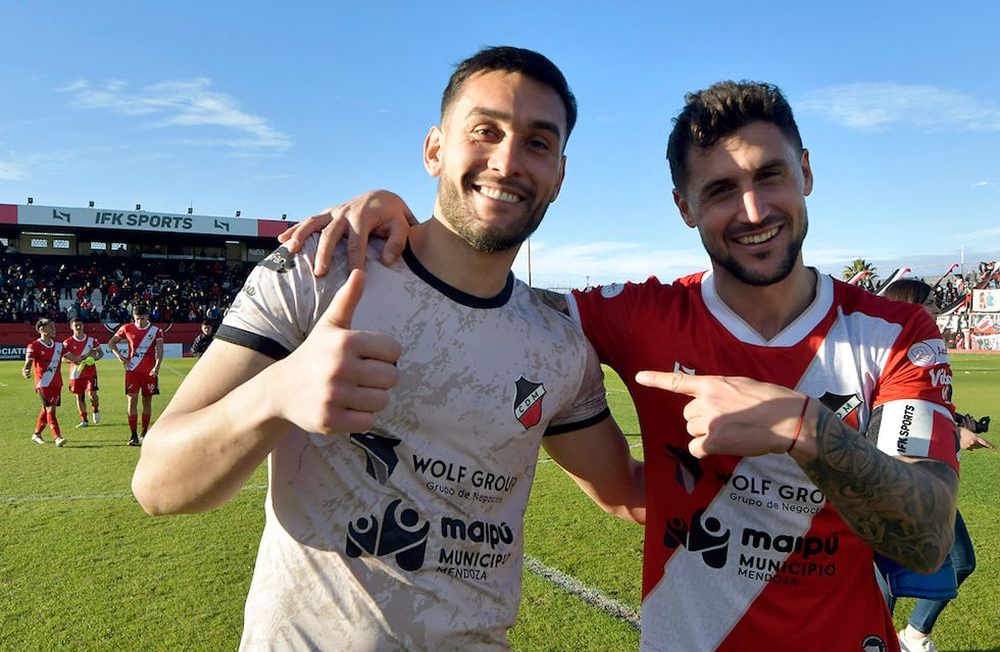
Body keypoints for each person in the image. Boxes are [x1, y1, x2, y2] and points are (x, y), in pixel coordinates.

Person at [287, 80, 960, 651]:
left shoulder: (897, 331)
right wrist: (399, 223)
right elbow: (493, 296)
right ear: (683, 206)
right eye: (720, 189)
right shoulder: (639, 314)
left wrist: (804, 424)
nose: (752, 210)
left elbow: (927, 537)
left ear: (805, 171)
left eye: (770, 175)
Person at [130, 46, 643, 651]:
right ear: (434, 150)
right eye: (485, 131)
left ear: (558, 174)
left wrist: (779, 450)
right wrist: (277, 393)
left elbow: (626, 492)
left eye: (537, 142)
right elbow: (159, 484)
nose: (507, 161)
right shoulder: (317, 271)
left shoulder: (561, 345)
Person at [880, 277, 989, 652]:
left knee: (953, 563)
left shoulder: (930, 354)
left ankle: (908, 636)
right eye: (929, 306)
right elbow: (887, 416)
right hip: (900, 478)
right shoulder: (893, 354)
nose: (937, 314)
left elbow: (936, 406)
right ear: (907, 307)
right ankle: (898, 637)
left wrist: (960, 424)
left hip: (930, 477)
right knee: (893, 571)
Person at [107, 304, 164, 446]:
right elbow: (111, 343)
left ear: (148, 317)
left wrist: (157, 367)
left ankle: (144, 432)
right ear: (133, 317)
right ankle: (133, 435)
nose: (140, 322)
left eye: (143, 319)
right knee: (132, 401)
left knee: (147, 402)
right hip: (132, 371)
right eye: (137, 319)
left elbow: (160, 351)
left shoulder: (156, 331)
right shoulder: (127, 328)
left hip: (149, 372)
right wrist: (120, 357)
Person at [23, 318, 82, 446]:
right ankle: (57, 437)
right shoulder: (34, 346)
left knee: (46, 409)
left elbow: (74, 359)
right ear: (41, 329)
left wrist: (87, 355)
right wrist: (26, 370)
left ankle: (36, 434)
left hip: (57, 383)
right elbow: (28, 363)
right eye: (51, 327)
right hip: (42, 383)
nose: (54, 329)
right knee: (51, 410)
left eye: (54, 327)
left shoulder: (60, 346)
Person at [63, 316, 104, 427]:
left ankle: (95, 409)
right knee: (79, 397)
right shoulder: (67, 342)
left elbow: (100, 353)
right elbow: (63, 358)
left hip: (91, 372)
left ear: (83, 326)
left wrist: (95, 359)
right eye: (76, 325)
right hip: (75, 374)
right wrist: (73, 360)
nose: (78, 327)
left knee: (92, 395)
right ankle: (84, 420)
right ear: (71, 327)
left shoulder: (92, 340)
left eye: (80, 325)